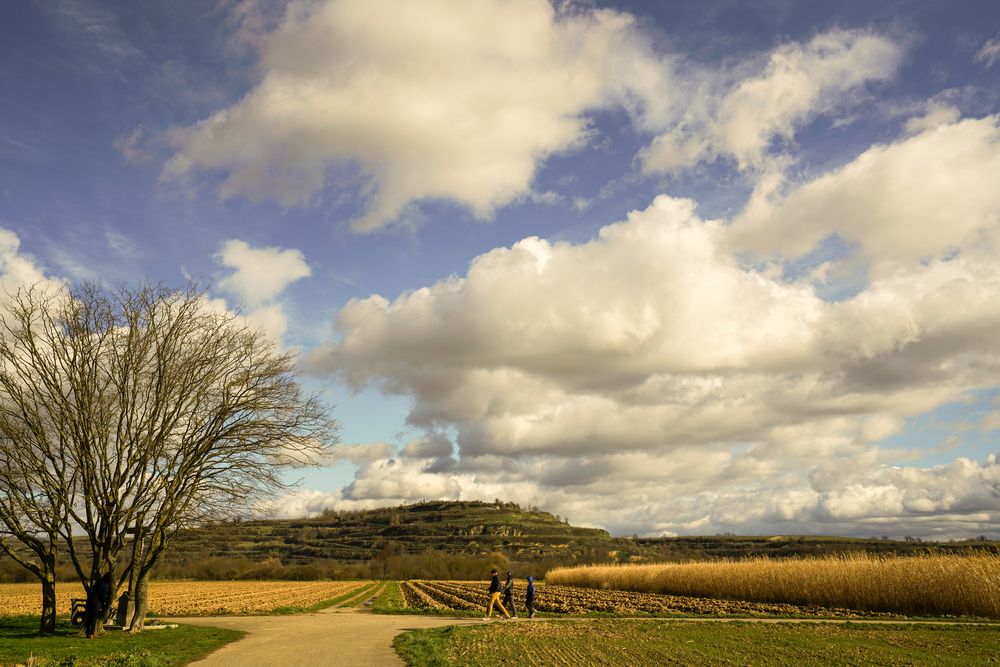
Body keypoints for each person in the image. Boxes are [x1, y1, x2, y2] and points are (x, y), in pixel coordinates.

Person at [84, 572, 112, 638]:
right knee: (94, 619)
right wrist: (104, 602)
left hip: (90, 602)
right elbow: (104, 595)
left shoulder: (98, 583)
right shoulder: (106, 585)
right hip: (97, 603)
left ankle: (87, 633)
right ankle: (91, 634)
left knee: (89, 619)